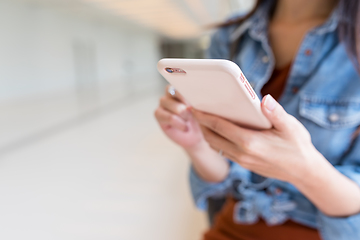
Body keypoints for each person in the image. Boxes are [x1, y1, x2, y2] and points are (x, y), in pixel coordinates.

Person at [154, 0, 360, 239]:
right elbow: (226, 182)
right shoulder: (231, 36)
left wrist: (304, 170)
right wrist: (196, 144)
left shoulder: (353, 45)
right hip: (234, 225)